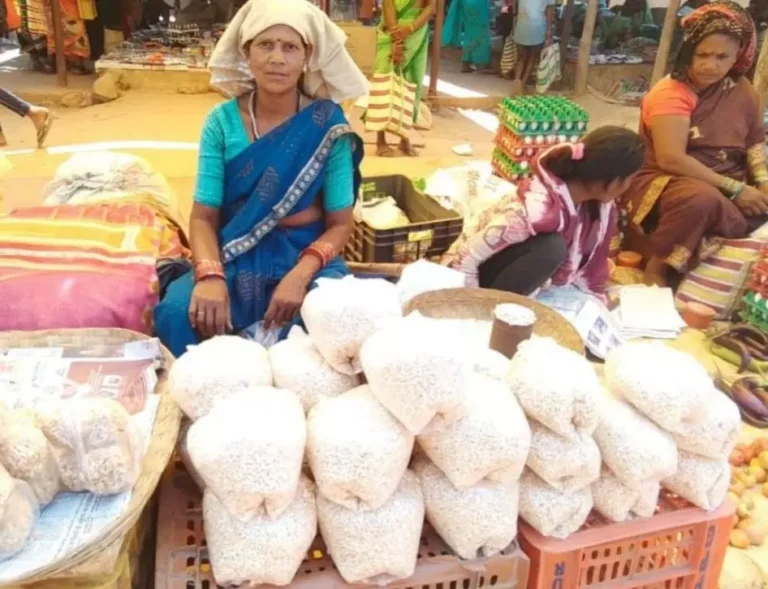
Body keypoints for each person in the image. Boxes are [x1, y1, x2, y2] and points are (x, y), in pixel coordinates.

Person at [154, 0, 368, 358]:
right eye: (265, 45)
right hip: (235, 251)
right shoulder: (221, 122)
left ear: (307, 56)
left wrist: (300, 275)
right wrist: (209, 275)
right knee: (178, 312)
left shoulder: (328, 124)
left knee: (335, 321)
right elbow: (203, 216)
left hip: (306, 254)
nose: (277, 58)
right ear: (246, 52)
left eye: (290, 47)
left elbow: (341, 224)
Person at [618, 1, 766, 287]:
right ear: (688, 52)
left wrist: (761, 183)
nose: (711, 65)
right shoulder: (671, 92)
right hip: (669, 178)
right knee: (702, 200)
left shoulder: (742, 90)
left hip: (729, 178)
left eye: (723, 57)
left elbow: (754, 143)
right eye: (703, 54)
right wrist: (735, 189)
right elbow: (671, 158)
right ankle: (658, 270)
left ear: (738, 56)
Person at [443, 126, 645, 299]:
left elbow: (592, 274)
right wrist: (473, 308)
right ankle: (499, 308)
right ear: (613, 182)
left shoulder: (596, 208)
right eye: (631, 179)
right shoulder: (534, 209)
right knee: (551, 249)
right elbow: (465, 258)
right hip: (469, 276)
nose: (629, 187)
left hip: (507, 272)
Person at [370, 0, 435, 157]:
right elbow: (388, 5)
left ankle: (404, 139)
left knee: (412, 85)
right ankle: (381, 141)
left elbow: (431, 6)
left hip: (416, 35)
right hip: (393, 32)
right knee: (384, 84)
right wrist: (397, 40)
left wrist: (410, 29)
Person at [510, 0, 554, 94]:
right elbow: (549, 12)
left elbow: (514, 5)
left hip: (522, 23)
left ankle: (516, 81)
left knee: (521, 57)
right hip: (537, 25)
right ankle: (523, 84)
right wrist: (549, 29)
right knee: (532, 57)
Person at [442, 0, 492, 73]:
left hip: (466, 3)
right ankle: (482, 64)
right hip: (478, 4)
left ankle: (465, 63)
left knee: (469, 32)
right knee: (482, 32)